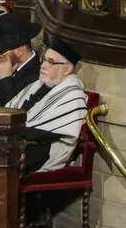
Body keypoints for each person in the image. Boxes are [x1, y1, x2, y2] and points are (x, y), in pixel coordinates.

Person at [7, 36, 88, 173]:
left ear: (67, 69)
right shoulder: (39, 85)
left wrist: (10, 129)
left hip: (41, 152)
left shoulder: (73, 95)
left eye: (50, 62)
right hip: (20, 143)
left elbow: (41, 134)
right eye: (44, 59)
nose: (43, 65)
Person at [0, 13, 42, 108]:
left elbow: (15, 111)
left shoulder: (37, 75)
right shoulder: (11, 68)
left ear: (19, 51)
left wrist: (5, 79)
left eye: (1, 53)